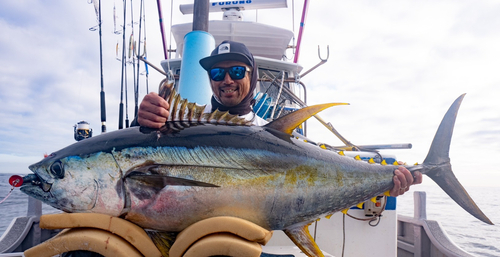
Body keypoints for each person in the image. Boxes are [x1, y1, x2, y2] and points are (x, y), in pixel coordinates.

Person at [134, 40, 422, 196]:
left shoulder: (276, 133)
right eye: (217, 73)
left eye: (236, 72)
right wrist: (142, 124)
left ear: (252, 75)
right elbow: (143, 155)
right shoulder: (184, 125)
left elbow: (324, 169)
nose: (226, 80)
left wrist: (387, 183)